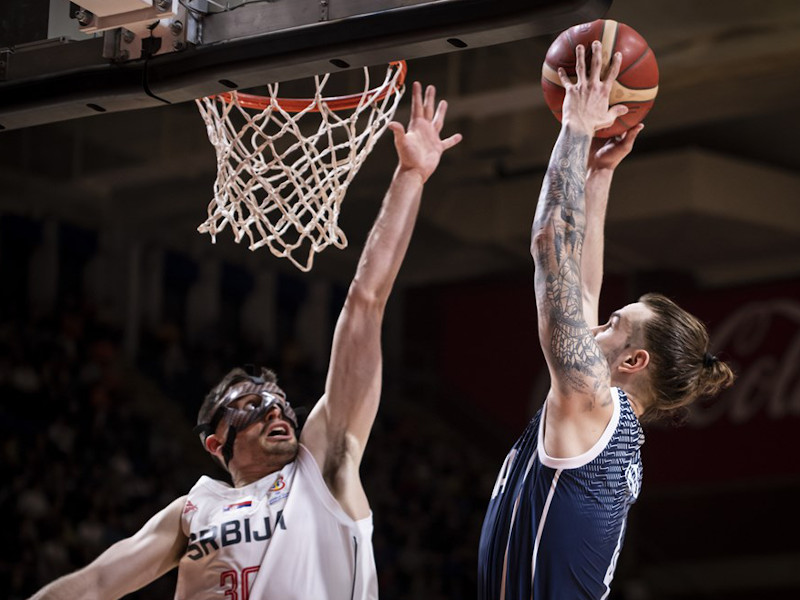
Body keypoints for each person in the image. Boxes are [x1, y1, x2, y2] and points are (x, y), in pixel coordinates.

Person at [29, 81, 462, 600]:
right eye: (252, 406)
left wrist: (410, 177)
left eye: (278, 403)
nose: (275, 410)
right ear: (216, 444)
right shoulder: (193, 510)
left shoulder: (322, 467)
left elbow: (364, 303)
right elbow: (98, 582)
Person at [477, 41, 735, 599]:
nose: (594, 325)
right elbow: (583, 287)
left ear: (634, 360)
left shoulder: (594, 406)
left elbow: (551, 246)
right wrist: (597, 175)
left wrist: (576, 127)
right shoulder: (606, 421)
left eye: (613, 323)